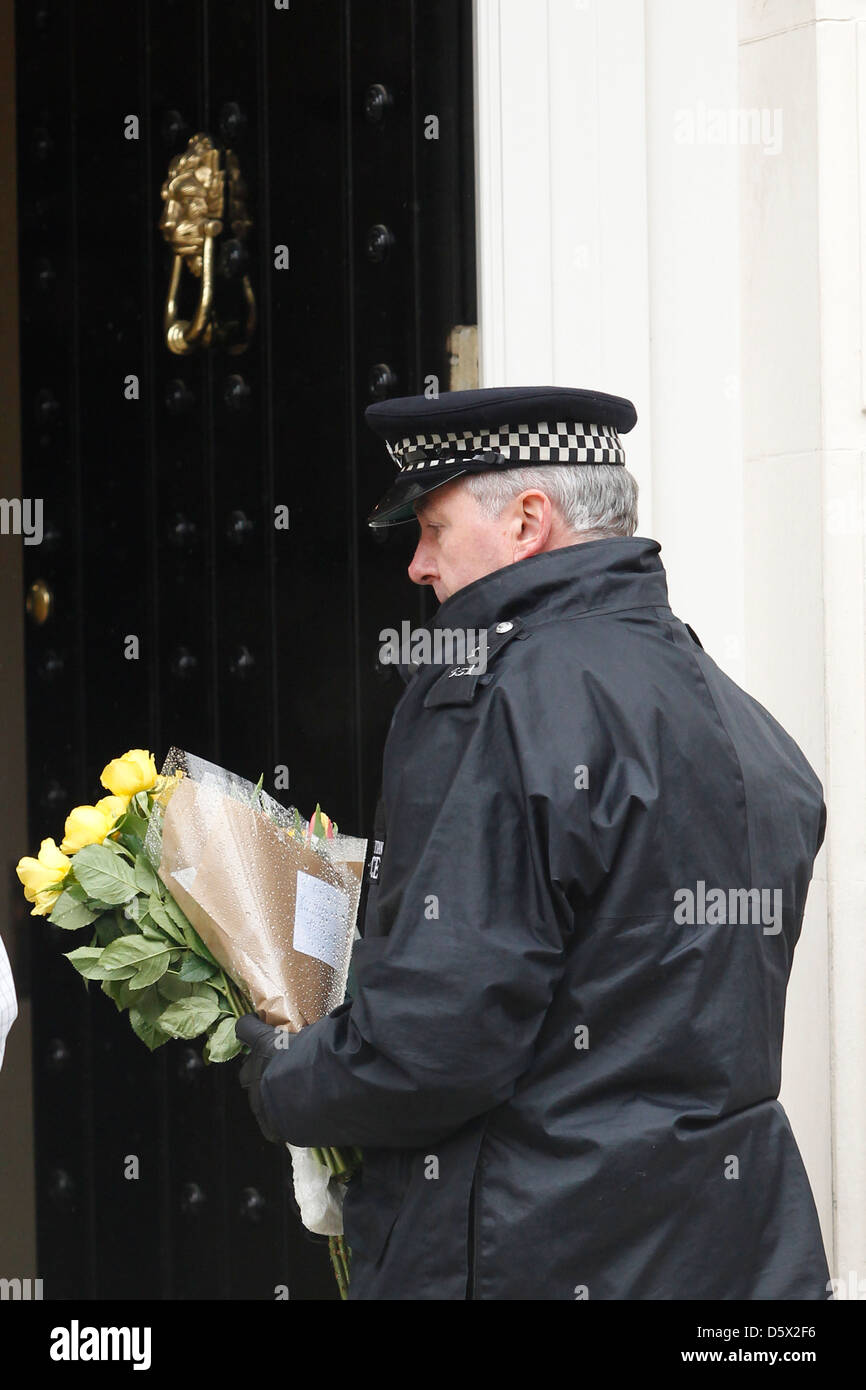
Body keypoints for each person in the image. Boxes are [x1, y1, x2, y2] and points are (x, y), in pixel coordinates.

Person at [237, 386, 830, 1300]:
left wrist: (284, 1075)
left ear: (527, 522)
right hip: (742, 1265)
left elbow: (435, 1044)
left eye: (432, 527)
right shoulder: (737, 712)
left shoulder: (500, 695)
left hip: (539, 1253)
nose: (418, 567)